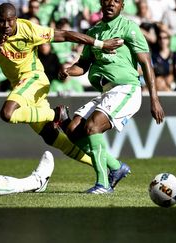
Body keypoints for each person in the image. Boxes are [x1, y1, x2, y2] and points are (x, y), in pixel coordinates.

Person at [0, 3, 123, 167]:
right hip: (19, 85)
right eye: (1, 21)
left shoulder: (29, 30)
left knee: (7, 114)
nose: (5, 25)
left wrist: (101, 44)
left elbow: (66, 35)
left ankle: (55, 114)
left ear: (16, 19)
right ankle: (110, 167)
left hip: (33, 79)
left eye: (9, 21)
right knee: (51, 137)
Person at [58, 0, 165, 193]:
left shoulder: (129, 27)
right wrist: (68, 71)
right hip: (107, 92)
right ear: (100, 3)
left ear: (122, 6)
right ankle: (116, 167)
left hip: (127, 88)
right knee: (73, 130)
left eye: (116, 0)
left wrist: (154, 100)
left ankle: (103, 184)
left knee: (92, 127)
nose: (111, 3)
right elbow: (83, 64)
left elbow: (146, 63)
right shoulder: (93, 33)